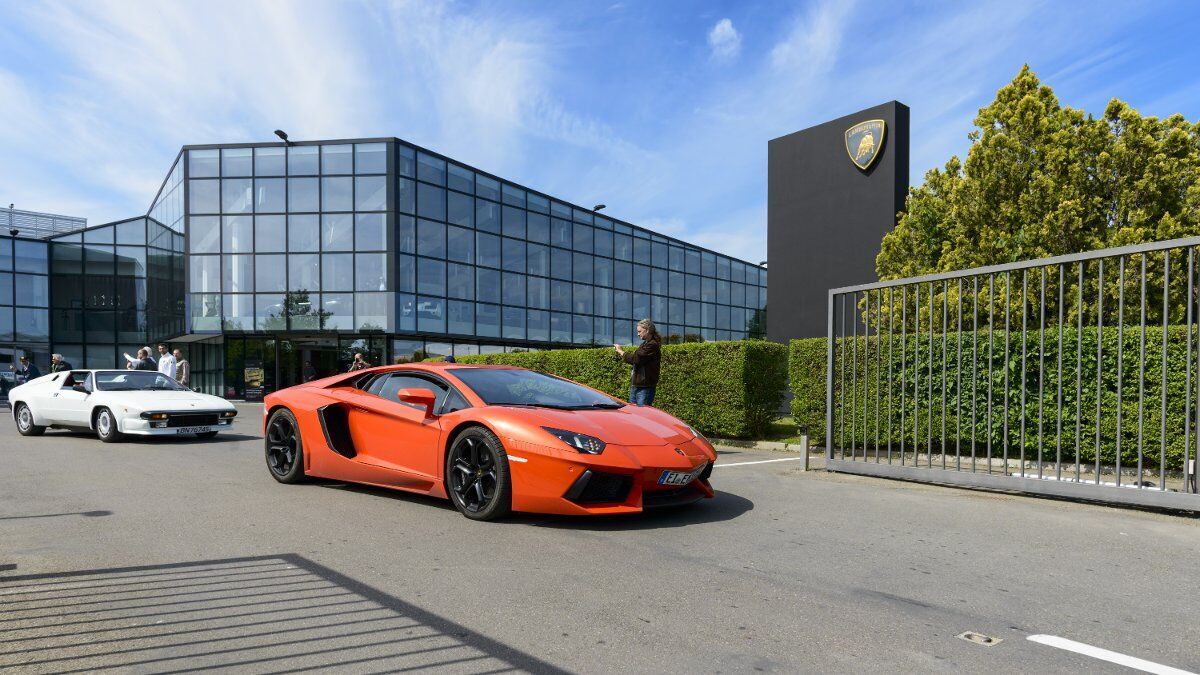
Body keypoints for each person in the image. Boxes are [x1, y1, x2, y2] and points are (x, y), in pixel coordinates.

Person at [613, 318, 662, 406]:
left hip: (644, 387)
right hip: (637, 386)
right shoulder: (645, 344)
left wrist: (621, 351)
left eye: (639, 331)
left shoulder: (652, 345)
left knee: (642, 415)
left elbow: (636, 359)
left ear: (647, 330)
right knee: (634, 415)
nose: (638, 334)